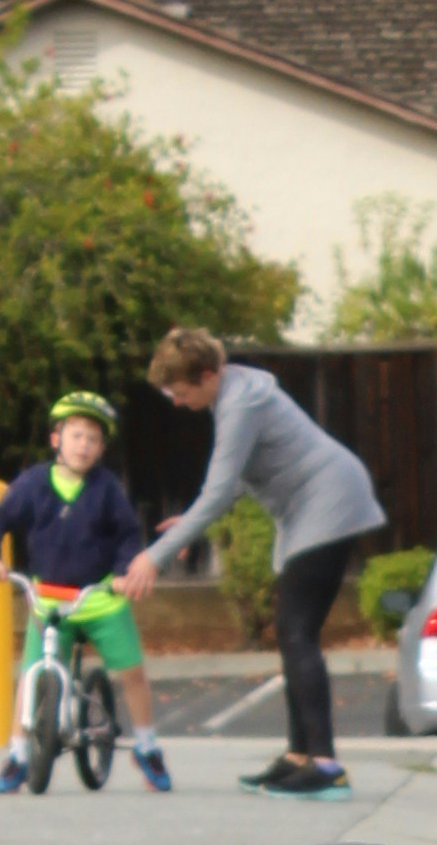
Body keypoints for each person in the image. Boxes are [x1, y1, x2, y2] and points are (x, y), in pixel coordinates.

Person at [129, 328, 387, 798]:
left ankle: (326, 765)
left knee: (296, 630)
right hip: (315, 504)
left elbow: (221, 487)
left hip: (329, 501)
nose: (178, 403)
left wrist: (154, 557)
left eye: (182, 392)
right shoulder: (235, 394)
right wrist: (190, 524)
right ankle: (299, 756)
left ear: (208, 375)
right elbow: (241, 480)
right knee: (292, 632)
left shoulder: (240, 405)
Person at [0, 392, 173, 794]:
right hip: (48, 598)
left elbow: (126, 535)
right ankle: (17, 754)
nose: (84, 445)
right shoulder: (33, 483)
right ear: (56, 440)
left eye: (93, 439)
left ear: (101, 449)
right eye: (76, 435)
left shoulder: (106, 489)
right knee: (33, 676)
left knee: (131, 671)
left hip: (98, 597)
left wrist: (122, 573)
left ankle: (147, 746)